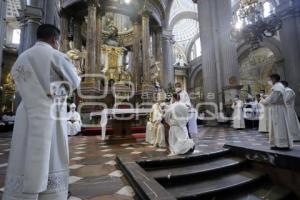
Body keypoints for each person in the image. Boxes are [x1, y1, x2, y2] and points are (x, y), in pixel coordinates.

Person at [3, 24, 81, 200]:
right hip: (52, 112)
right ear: (55, 39)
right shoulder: (57, 56)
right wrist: (57, 91)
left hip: (27, 112)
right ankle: (50, 194)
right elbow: (74, 82)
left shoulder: (22, 58)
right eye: (59, 41)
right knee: (53, 152)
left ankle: (22, 194)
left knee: (24, 149)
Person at [261, 74, 293, 150]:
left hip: (278, 109)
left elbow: (273, 99)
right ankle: (277, 143)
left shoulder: (277, 88)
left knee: (279, 127)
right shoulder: (279, 87)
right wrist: (267, 97)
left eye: (270, 79)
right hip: (277, 108)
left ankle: (282, 144)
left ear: (274, 79)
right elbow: (273, 97)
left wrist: (263, 101)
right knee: (276, 127)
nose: (269, 81)